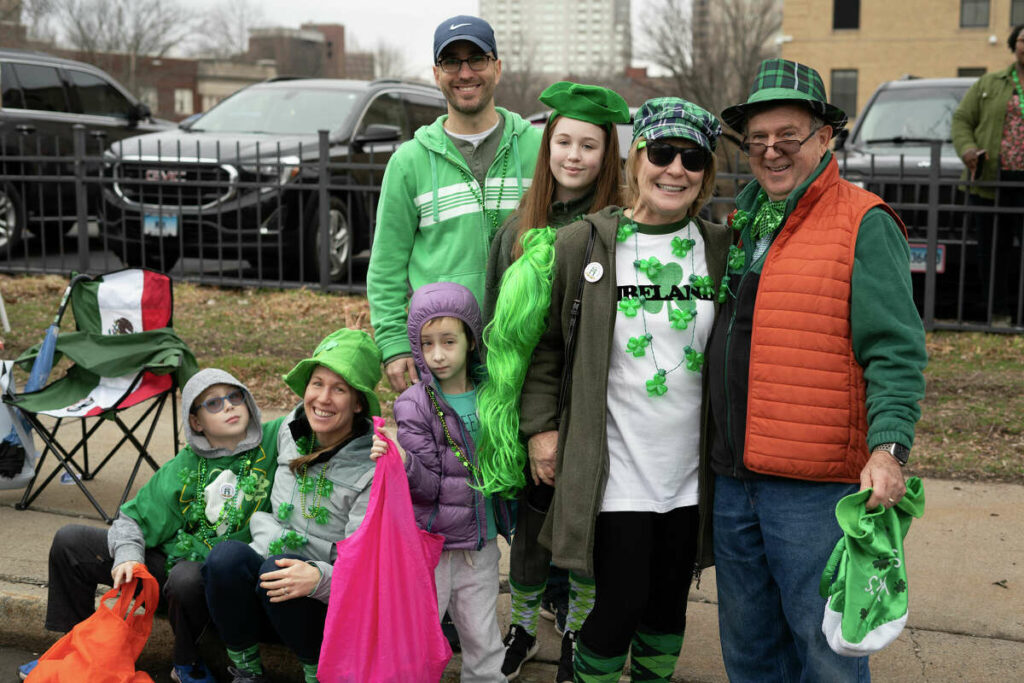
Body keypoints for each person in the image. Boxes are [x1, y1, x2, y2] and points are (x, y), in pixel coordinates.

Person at [708, 58, 927, 682]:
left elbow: (896, 348)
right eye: (758, 141)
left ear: (825, 137)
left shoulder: (864, 222)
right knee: (750, 653)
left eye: (789, 136)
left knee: (825, 656)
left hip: (815, 492)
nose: (771, 152)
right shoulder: (744, 222)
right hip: (735, 480)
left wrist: (889, 450)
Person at [519, 98, 730, 683]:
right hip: (615, 468)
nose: (675, 169)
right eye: (662, 153)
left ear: (706, 174)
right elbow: (545, 350)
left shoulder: (719, 249)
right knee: (620, 602)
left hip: (690, 471)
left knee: (668, 606)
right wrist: (541, 430)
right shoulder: (586, 245)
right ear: (637, 160)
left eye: (692, 159)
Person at [477, 81, 629, 682]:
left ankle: (577, 633)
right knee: (534, 527)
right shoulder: (516, 231)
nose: (573, 155)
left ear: (607, 154)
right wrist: (525, 422)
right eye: (562, 142)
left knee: (587, 525)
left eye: (588, 146)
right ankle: (523, 625)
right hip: (528, 410)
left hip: (597, 407)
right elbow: (495, 324)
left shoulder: (618, 232)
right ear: (546, 151)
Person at [20, 369, 280, 683]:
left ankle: (187, 662)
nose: (228, 406)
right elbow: (131, 519)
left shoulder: (274, 439)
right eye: (213, 403)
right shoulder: (181, 467)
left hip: (220, 581)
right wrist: (129, 555)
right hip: (164, 569)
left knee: (188, 576)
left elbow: (314, 411)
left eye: (235, 396)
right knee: (70, 541)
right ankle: (72, 652)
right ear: (195, 422)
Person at [367, 14, 543, 393]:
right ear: (436, 72)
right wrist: (394, 344)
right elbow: (386, 266)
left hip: (527, 351)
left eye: (476, 59)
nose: (465, 73)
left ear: (497, 67)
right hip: (442, 358)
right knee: (447, 454)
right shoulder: (408, 162)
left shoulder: (538, 150)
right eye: (452, 62)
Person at [201, 329, 382, 683]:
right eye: (317, 383)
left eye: (339, 389)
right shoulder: (290, 427)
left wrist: (319, 578)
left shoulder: (373, 467)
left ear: (358, 403)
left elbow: (365, 568)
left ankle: (320, 674)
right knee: (225, 559)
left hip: (326, 600)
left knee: (276, 568)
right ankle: (246, 670)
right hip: (270, 576)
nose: (323, 398)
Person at [374, 281, 513, 682]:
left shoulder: (493, 395)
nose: (437, 355)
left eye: (449, 341)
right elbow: (428, 488)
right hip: (432, 548)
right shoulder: (414, 404)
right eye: (427, 343)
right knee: (418, 636)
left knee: (483, 638)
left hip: (480, 545)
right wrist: (404, 462)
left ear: (470, 339)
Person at [951, 24, 1024, 325]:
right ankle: (998, 315)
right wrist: (968, 150)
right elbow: (962, 120)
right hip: (993, 181)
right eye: (1022, 39)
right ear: (1013, 45)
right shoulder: (990, 83)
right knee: (993, 253)